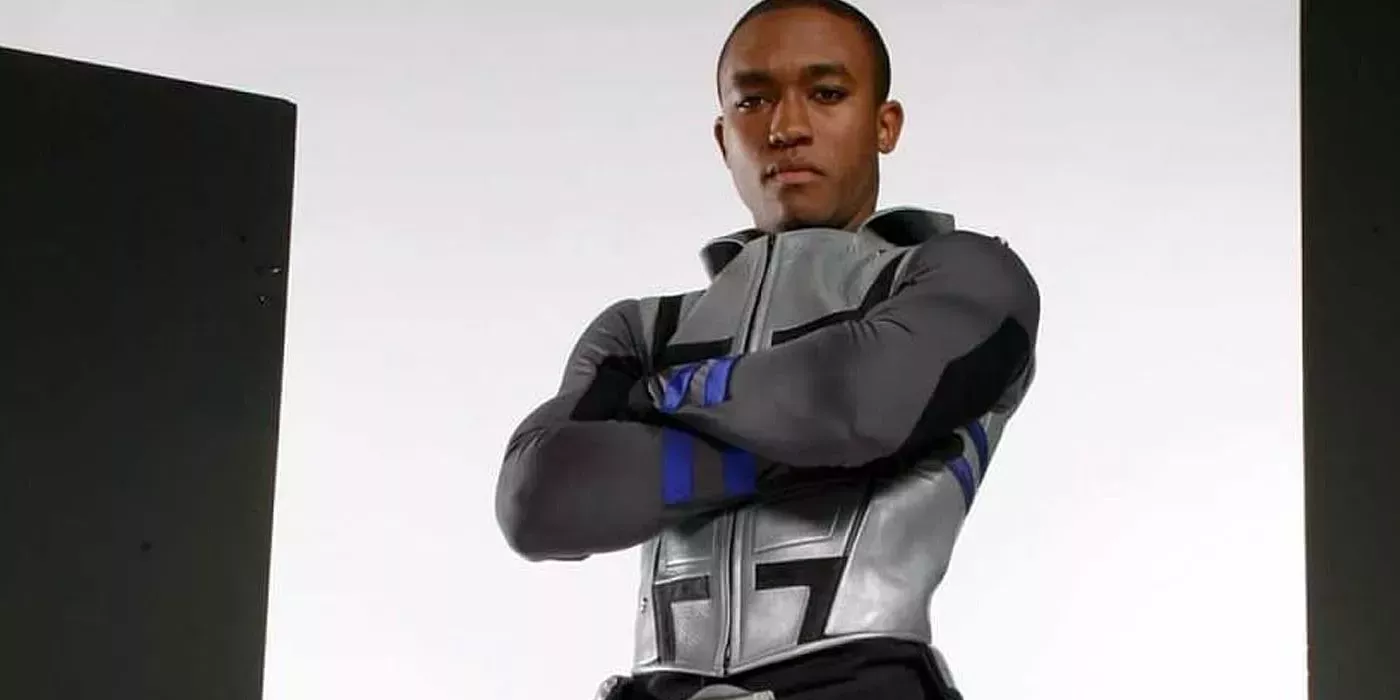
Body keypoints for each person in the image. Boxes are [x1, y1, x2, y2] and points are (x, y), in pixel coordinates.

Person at [493, 1, 1040, 698]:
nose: (786, 128)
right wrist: (815, 453)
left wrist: (653, 403)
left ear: (885, 124)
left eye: (827, 93)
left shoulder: (966, 273)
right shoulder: (641, 327)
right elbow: (540, 501)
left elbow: (855, 404)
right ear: (724, 137)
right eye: (754, 101)